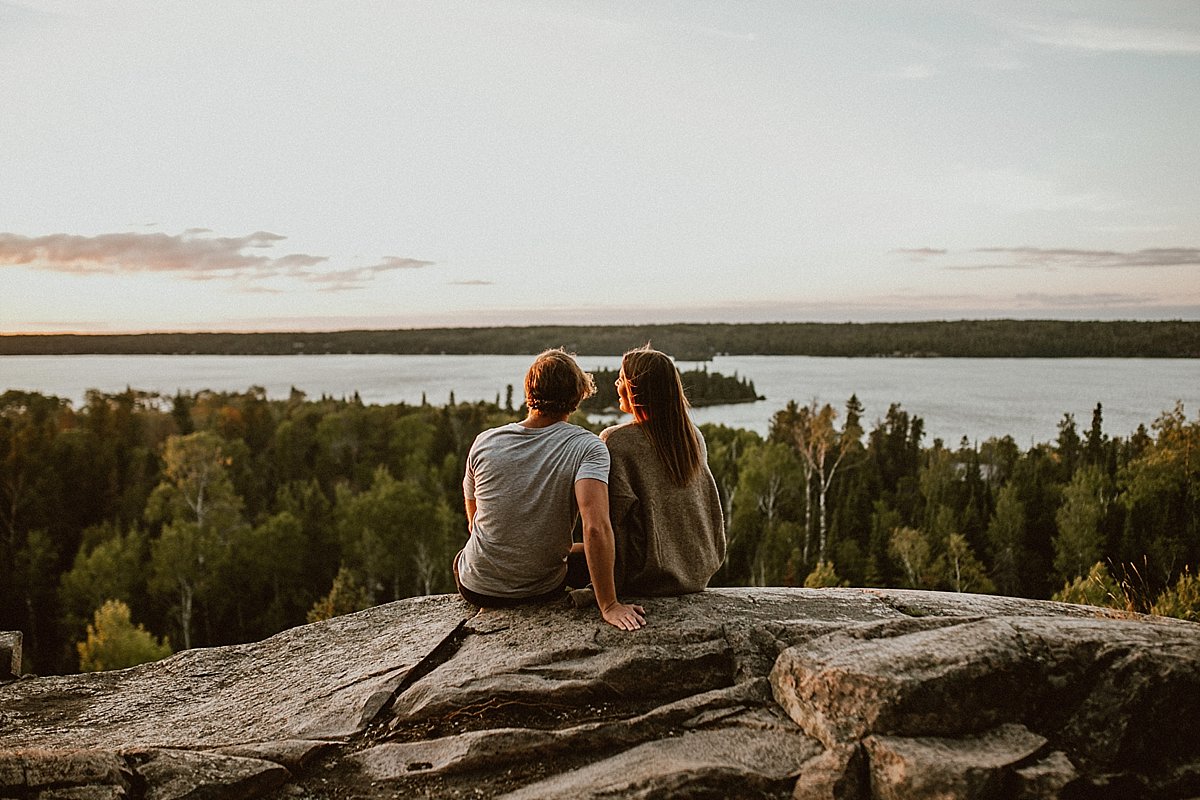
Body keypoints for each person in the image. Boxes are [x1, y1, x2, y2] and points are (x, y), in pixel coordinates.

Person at [454, 348, 646, 631]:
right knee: (596, 555)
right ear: (578, 395)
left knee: (462, 556)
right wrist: (609, 605)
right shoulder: (587, 447)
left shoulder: (485, 441)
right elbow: (595, 527)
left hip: (476, 586)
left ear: (529, 391)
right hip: (542, 590)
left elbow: (474, 520)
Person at [601, 346, 726, 595]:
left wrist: (606, 594)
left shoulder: (616, 442)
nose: (616, 384)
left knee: (554, 557)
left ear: (638, 390)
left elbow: (613, 524)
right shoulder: (692, 437)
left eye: (622, 378)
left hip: (647, 578)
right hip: (697, 573)